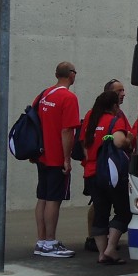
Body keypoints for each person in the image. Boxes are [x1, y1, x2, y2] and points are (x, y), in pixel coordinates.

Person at [80, 89, 133, 265]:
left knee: (100, 213)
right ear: (113, 106)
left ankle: (102, 253)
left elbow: (85, 149)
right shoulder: (113, 121)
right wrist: (128, 140)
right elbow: (118, 141)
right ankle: (111, 248)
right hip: (111, 173)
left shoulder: (90, 121)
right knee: (124, 211)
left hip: (92, 173)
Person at [34, 61, 80, 258]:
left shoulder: (44, 95)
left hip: (42, 155)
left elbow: (35, 122)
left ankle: (42, 240)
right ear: (71, 75)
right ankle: (50, 243)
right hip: (55, 157)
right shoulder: (68, 98)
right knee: (53, 199)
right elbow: (67, 130)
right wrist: (67, 159)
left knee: (42, 197)